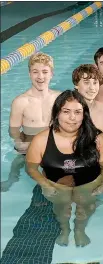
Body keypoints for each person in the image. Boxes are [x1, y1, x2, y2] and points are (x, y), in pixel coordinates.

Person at [25, 90, 103, 247]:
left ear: (84, 115)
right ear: (57, 113)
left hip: (89, 184)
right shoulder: (41, 140)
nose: (72, 118)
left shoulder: (97, 139)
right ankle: (64, 229)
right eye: (66, 111)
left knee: (85, 205)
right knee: (62, 205)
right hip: (57, 185)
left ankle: (80, 229)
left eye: (77, 112)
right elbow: (31, 168)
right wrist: (46, 185)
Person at [2, 52, 61, 192]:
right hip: (29, 145)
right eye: (35, 72)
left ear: (51, 74)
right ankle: (11, 179)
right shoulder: (20, 102)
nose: (40, 77)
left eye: (45, 72)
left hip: (53, 145)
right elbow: (14, 131)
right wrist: (18, 142)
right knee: (18, 161)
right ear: (29, 74)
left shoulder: (59, 98)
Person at [72, 64, 103, 150]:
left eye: (95, 82)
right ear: (76, 85)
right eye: (86, 82)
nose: (92, 87)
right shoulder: (69, 112)